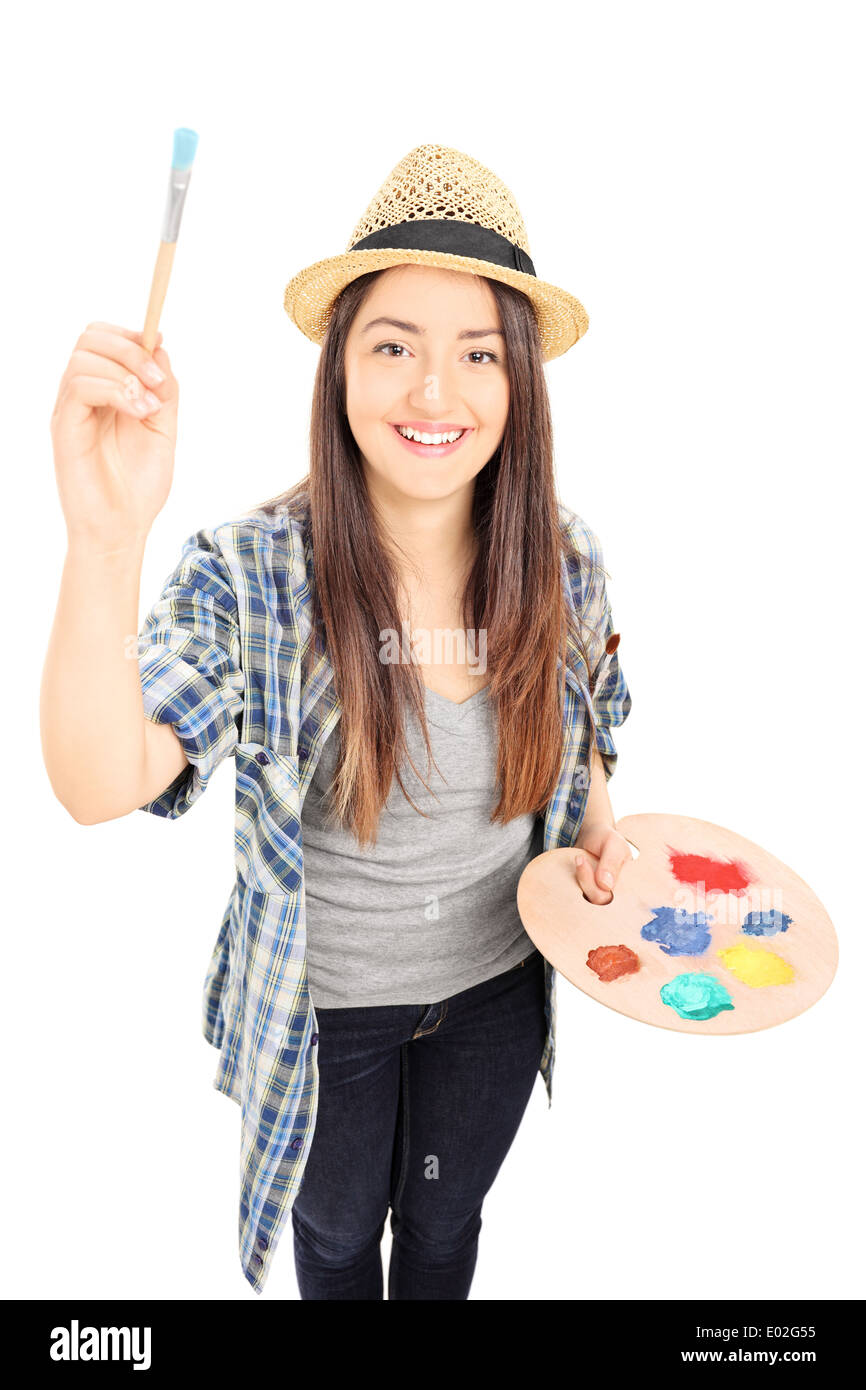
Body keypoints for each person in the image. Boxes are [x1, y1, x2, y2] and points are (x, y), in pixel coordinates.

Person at [41, 144, 633, 1300]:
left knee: (446, 1227)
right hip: (322, 1022)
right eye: (393, 346)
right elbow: (96, 780)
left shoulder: (562, 557)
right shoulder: (251, 573)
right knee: (333, 1241)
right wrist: (105, 535)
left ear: (517, 380)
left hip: (496, 993)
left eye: (474, 354)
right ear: (340, 368)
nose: (432, 392)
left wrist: (597, 830)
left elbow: (585, 717)